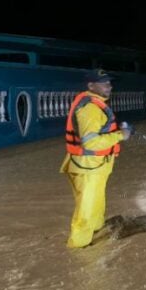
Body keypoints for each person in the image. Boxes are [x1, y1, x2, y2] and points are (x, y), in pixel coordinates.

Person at [60, 69, 132, 248]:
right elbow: (90, 143)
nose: (109, 86)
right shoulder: (90, 108)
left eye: (109, 82)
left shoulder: (94, 102)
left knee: (95, 204)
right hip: (88, 167)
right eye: (103, 82)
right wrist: (120, 135)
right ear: (90, 85)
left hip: (93, 166)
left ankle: (97, 231)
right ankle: (78, 248)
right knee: (86, 210)